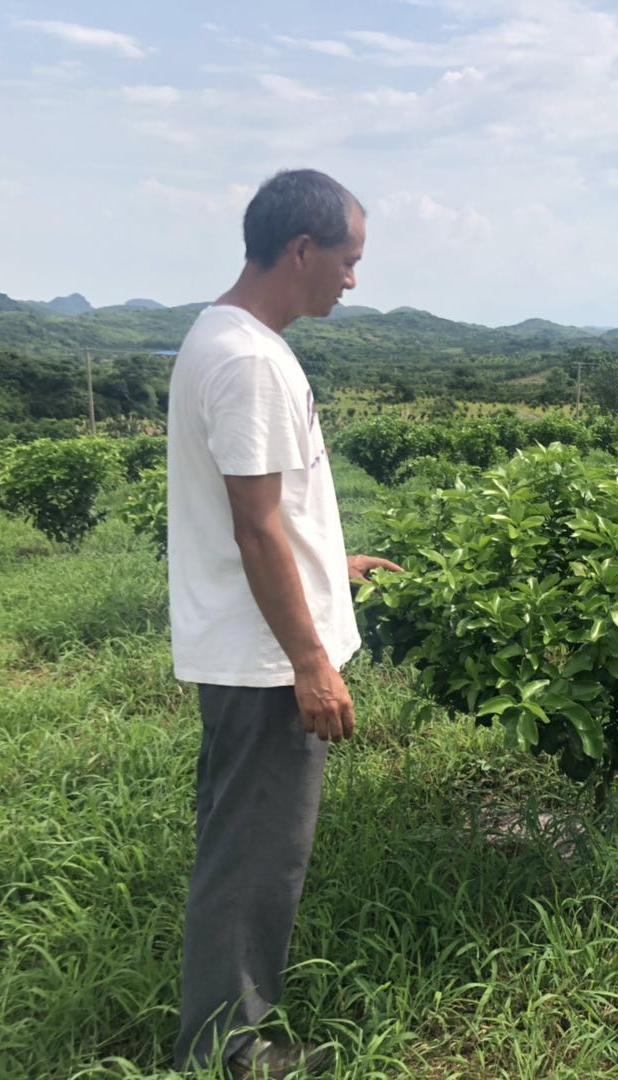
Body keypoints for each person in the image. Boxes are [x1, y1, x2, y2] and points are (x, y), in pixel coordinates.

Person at [166, 169, 401, 1077]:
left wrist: (326, 571)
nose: (352, 279)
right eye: (348, 261)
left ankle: (223, 1023)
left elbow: (264, 516)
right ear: (302, 250)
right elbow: (256, 525)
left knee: (241, 839)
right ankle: (227, 1048)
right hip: (265, 663)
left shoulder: (218, 335)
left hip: (249, 640)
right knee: (257, 853)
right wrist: (311, 659)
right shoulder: (253, 359)